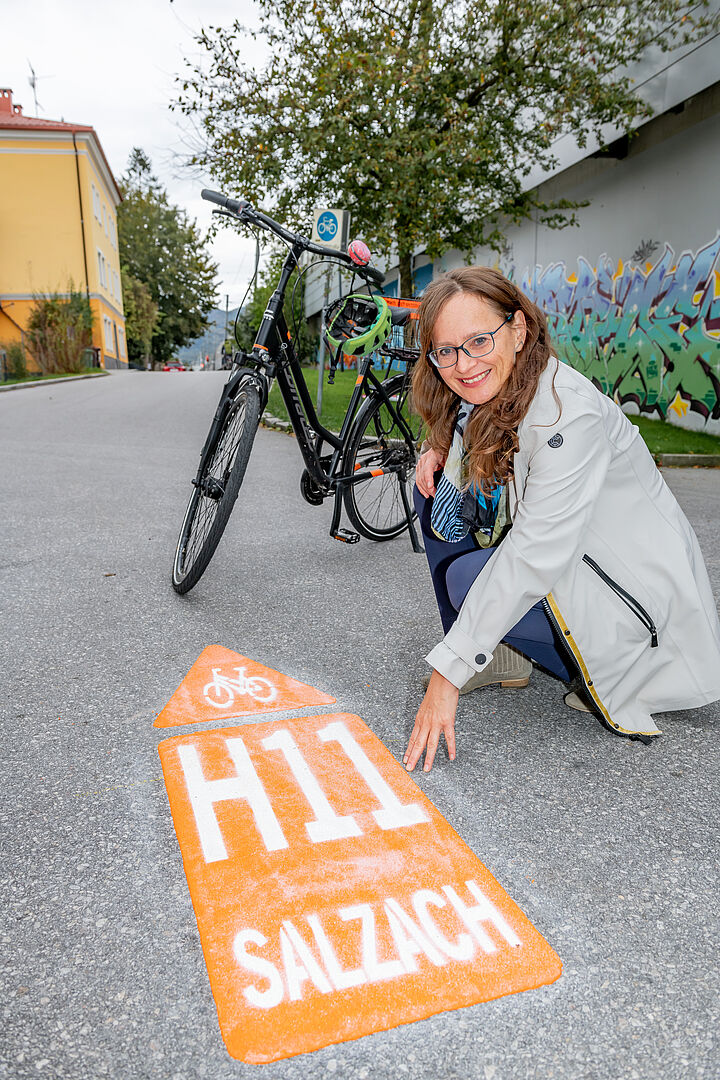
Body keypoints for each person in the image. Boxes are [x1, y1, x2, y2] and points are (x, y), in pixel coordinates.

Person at [403, 267, 720, 773]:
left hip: (633, 612)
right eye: (446, 350)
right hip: (578, 572)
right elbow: (467, 435)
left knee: (468, 577)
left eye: (479, 341)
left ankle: (603, 672)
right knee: (436, 490)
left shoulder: (568, 416)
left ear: (519, 329)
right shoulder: (501, 391)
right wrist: (439, 447)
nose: (463, 364)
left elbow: (533, 553)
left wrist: (447, 670)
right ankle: (498, 653)